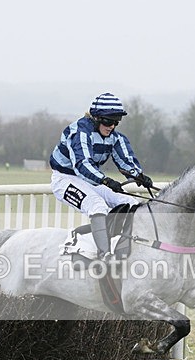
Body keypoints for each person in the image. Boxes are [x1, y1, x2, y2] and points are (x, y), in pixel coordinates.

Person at [48, 92, 153, 261]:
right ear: (95, 118)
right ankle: (105, 255)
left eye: (115, 122)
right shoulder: (80, 133)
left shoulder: (115, 138)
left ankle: (124, 246)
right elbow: (82, 164)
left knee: (132, 204)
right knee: (97, 206)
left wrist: (139, 176)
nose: (111, 126)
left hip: (89, 180)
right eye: (107, 121)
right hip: (65, 178)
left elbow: (126, 161)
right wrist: (105, 180)